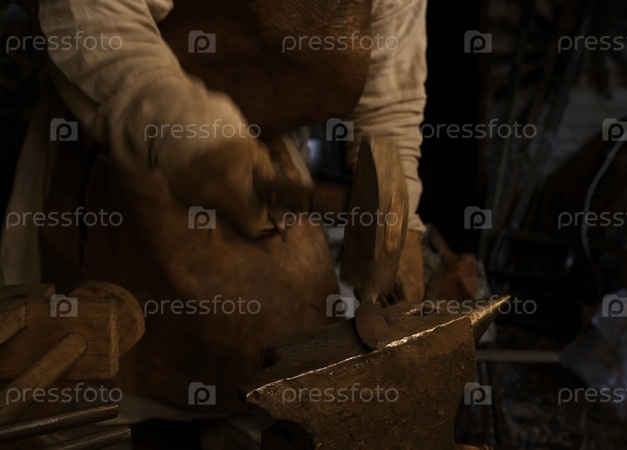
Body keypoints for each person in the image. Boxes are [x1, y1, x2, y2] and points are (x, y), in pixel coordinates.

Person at [1, 0, 427, 422]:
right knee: (88, 406)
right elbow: (92, 18)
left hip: (271, 181)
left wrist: (401, 223)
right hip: (114, 175)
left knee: (281, 399)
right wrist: (196, 134)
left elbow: (389, 101)